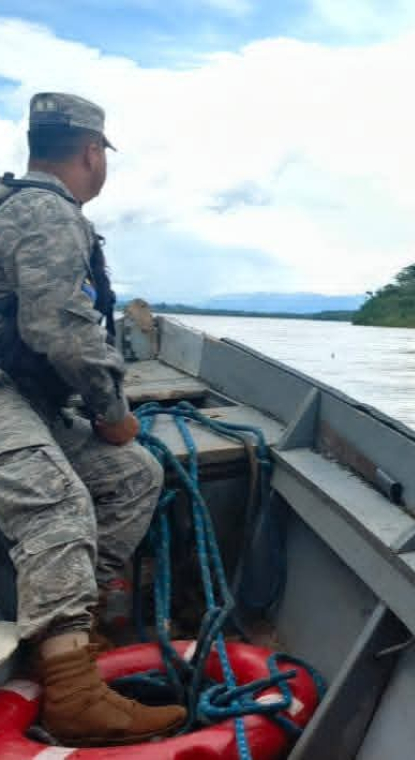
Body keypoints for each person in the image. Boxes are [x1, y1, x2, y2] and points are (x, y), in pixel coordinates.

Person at [0, 93, 185, 744]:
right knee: (58, 503)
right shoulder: (48, 212)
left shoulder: (20, 204)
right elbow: (59, 328)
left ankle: (72, 625)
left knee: (131, 474)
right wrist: (112, 412)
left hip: (24, 395)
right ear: (90, 152)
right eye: (100, 153)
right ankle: (74, 696)